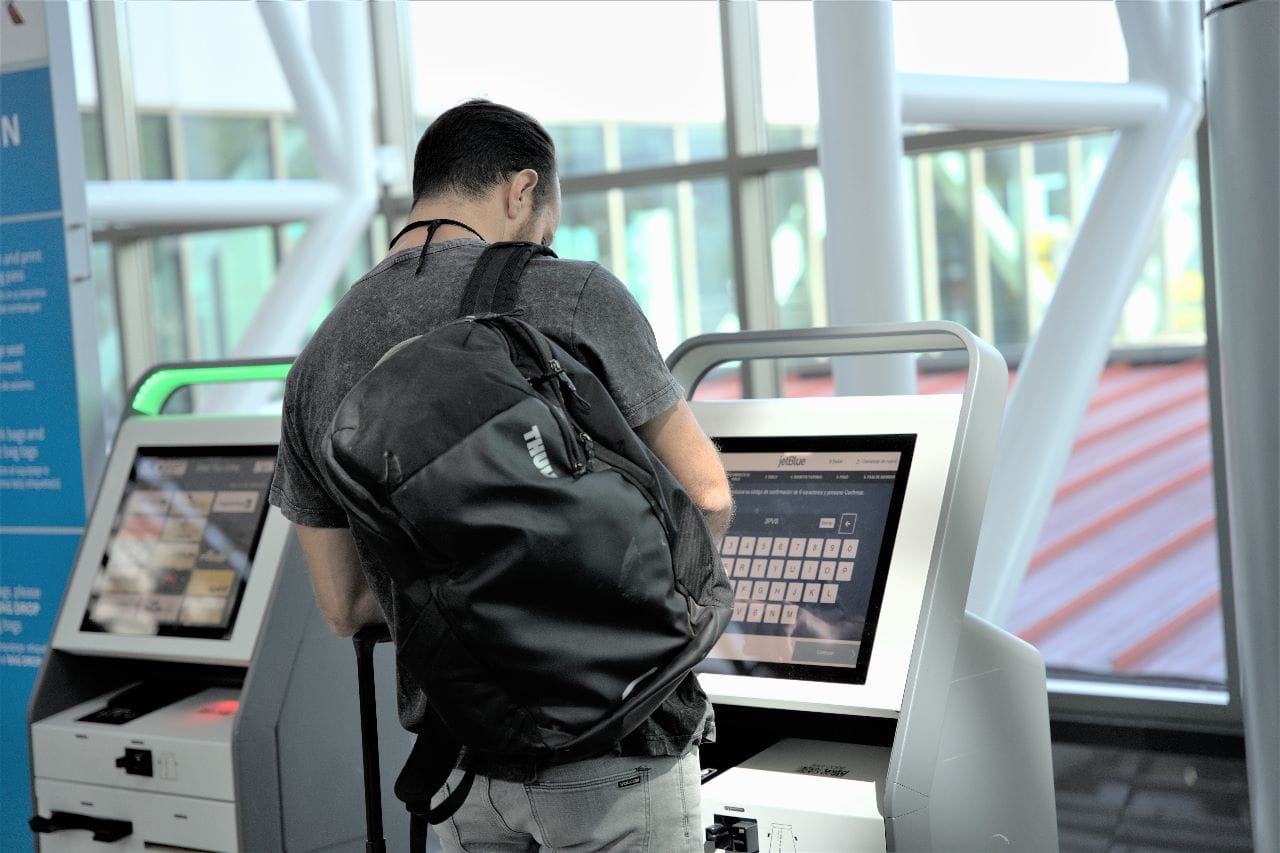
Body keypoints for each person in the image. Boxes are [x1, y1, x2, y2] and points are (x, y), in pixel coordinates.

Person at [269, 99, 733, 852]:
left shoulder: (319, 359)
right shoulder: (573, 294)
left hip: (465, 770)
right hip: (621, 747)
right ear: (522, 190)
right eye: (546, 224)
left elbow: (345, 603)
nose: (545, 242)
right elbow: (706, 495)